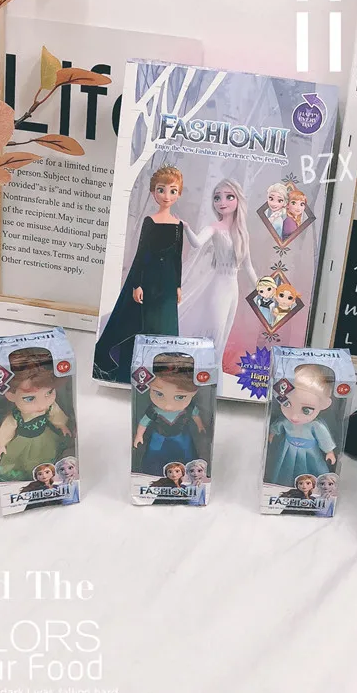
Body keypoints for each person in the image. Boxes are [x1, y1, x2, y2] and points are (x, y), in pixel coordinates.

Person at [93, 165, 185, 382]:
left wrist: (178, 286)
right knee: (140, 324)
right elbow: (142, 253)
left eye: (172, 191)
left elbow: (177, 257)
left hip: (168, 283)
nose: (166, 196)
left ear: (179, 194)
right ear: (153, 192)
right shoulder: (150, 222)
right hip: (149, 280)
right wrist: (137, 284)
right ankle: (130, 369)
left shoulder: (178, 225)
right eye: (161, 190)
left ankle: (162, 371)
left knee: (164, 325)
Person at [179, 179, 257, 361]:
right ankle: (204, 366)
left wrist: (261, 289)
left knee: (223, 335)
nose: (222, 202)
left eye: (229, 197)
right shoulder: (214, 227)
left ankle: (215, 370)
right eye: (217, 198)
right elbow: (197, 243)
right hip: (218, 286)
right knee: (215, 331)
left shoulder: (242, 233)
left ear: (238, 200)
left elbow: (248, 266)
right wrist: (187, 228)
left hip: (233, 289)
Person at [0, 348, 72, 482]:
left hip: (45, 438)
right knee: (20, 462)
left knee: (47, 455)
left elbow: (56, 414)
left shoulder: (49, 407)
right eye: (29, 398)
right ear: (11, 395)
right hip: (23, 442)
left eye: (49, 393)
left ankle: (46, 473)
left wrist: (62, 425)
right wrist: (2, 443)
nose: (42, 404)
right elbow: (8, 428)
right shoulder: (17, 416)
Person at [133, 353, 206, 476]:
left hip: (181, 435)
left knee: (187, 452)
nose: (168, 406)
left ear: (194, 393)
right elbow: (144, 422)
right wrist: (139, 435)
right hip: (159, 436)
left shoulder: (189, 408)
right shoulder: (154, 410)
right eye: (159, 394)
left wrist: (200, 426)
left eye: (180, 397)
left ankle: (188, 472)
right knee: (154, 454)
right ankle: (152, 473)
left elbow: (196, 416)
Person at [266, 364, 336, 486]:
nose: (294, 416)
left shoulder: (315, 425)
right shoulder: (285, 421)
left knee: (309, 472)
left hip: (309, 452)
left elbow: (324, 438)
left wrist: (329, 451)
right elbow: (277, 427)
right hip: (288, 449)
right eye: (287, 404)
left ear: (324, 404)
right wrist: (271, 434)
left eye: (306, 410)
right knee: (284, 469)